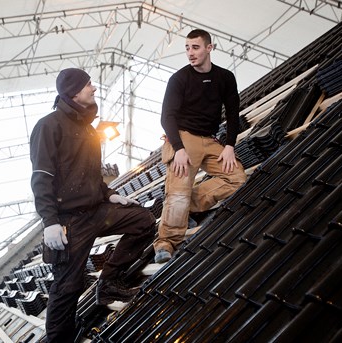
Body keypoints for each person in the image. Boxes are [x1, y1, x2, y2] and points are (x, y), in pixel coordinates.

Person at [30, 67, 156, 343]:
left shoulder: (87, 128)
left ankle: (109, 283)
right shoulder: (48, 126)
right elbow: (41, 178)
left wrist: (110, 194)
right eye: (89, 85)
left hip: (96, 210)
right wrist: (50, 222)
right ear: (74, 91)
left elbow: (90, 173)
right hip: (69, 221)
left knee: (142, 220)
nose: (94, 89)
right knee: (67, 288)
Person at [153, 29, 247, 263]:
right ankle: (165, 243)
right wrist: (179, 149)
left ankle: (188, 208)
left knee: (236, 178)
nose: (190, 53)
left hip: (211, 139)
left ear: (209, 48)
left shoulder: (225, 77)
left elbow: (234, 113)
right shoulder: (179, 78)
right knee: (177, 194)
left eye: (195, 47)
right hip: (184, 139)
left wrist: (229, 145)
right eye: (187, 48)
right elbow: (167, 117)